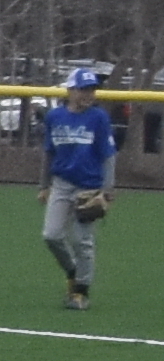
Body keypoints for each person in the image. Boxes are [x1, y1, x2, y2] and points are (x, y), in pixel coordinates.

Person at [41, 61, 118, 310]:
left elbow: (108, 154)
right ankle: (73, 271)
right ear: (70, 91)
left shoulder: (98, 117)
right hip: (61, 183)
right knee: (51, 235)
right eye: (83, 89)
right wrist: (44, 185)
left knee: (82, 241)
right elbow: (48, 153)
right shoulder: (54, 116)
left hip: (89, 186)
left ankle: (80, 292)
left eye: (91, 90)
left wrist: (108, 188)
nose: (88, 95)